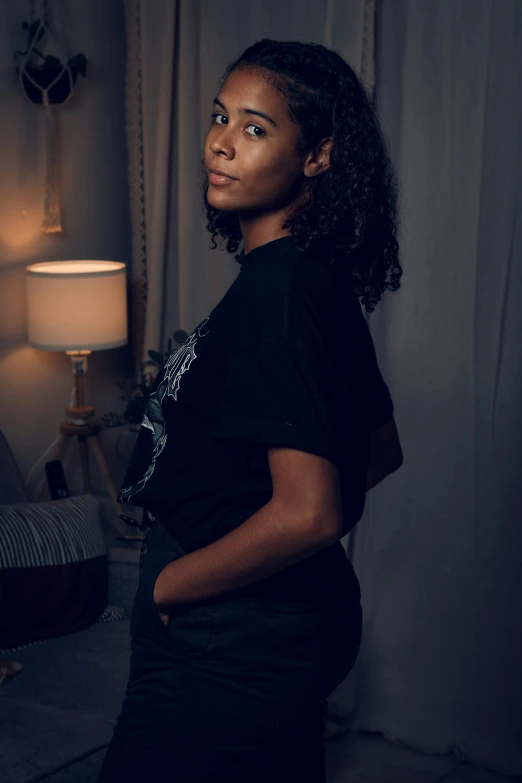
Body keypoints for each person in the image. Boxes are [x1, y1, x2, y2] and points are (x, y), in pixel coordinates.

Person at [97, 37, 403, 783]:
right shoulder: (309, 279)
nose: (222, 143)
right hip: (284, 620)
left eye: (255, 128)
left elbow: (311, 514)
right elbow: (381, 449)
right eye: (219, 117)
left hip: (230, 631)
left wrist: (173, 584)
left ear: (319, 156)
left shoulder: (280, 290)